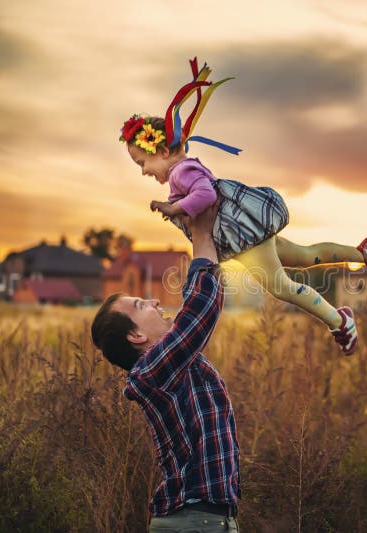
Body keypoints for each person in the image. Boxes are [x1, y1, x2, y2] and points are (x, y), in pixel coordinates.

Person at [119, 58, 367, 356]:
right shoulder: (182, 170)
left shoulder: (180, 173)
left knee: (281, 287)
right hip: (247, 234)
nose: (144, 171)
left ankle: (339, 321)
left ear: (162, 151)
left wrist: (175, 208)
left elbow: (206, 195)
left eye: (142, 163)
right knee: (304, 255)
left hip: (244, 238)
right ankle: (365, 252)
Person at [91, 203, 240, 532]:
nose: (156, 301)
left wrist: (204, 238)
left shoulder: (171, 364)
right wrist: (202, 233)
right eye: (142, 305)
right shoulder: (150, 374)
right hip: (192, 522)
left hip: (207, 520)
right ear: (136, 335)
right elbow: (199, 312)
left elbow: (194, 308)